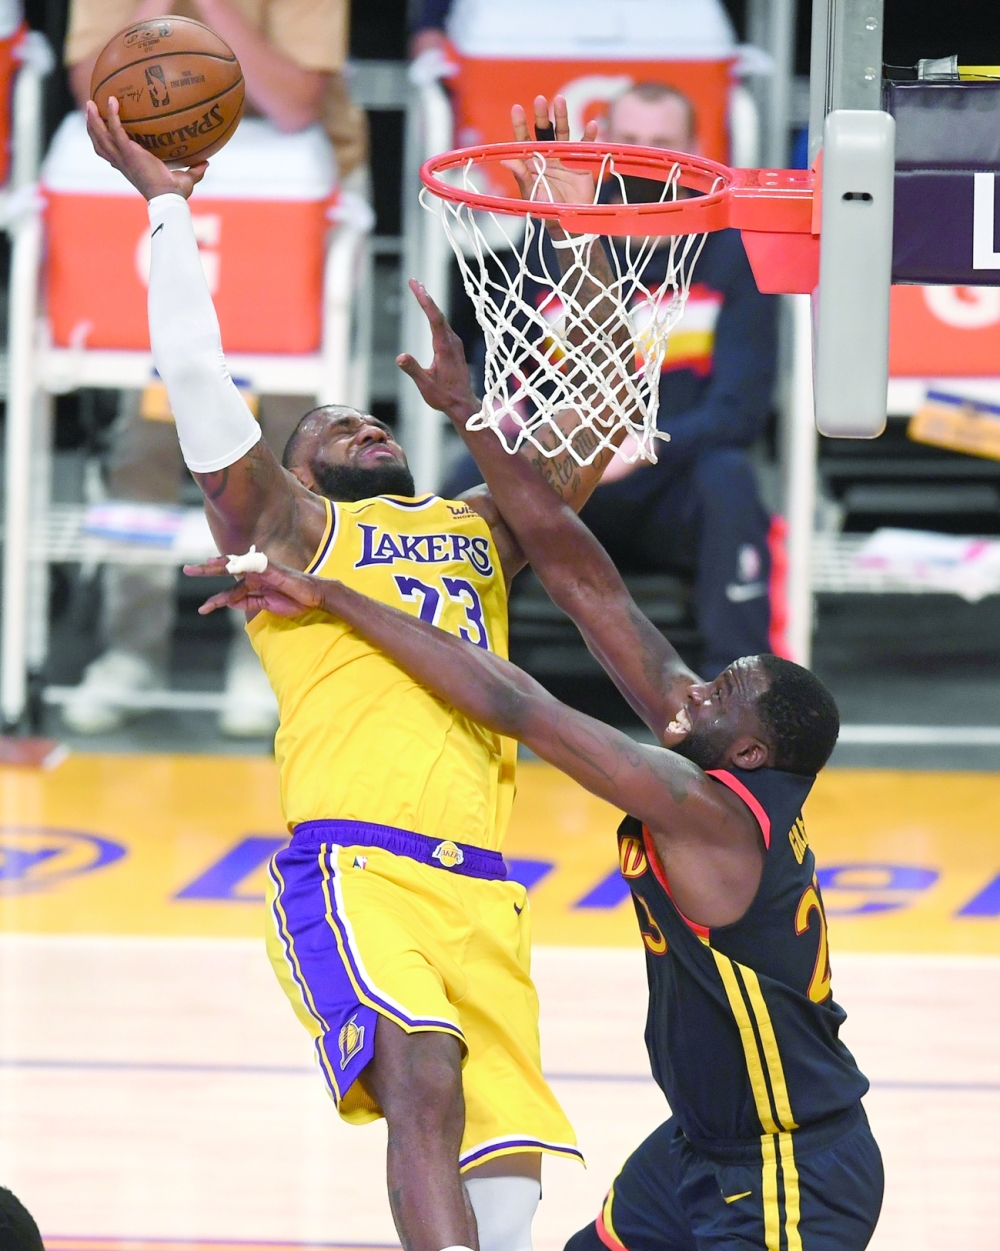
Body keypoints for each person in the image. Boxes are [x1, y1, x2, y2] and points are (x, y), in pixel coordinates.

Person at [196, 283, 884, 1251]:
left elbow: (519, 705)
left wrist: (339, 600)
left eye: (720, 688)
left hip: (786, 1167)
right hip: (697, 1148)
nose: (692, 690)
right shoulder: (712, 747)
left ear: (751, 753)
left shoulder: (704, 809)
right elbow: (577, 572)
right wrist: (474, 408)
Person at [85, 93, 626, 1251]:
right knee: (422, 1075)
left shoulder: (478, 527)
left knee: (508, 1138)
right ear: (294, 474)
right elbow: (196, 385)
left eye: (373, 420)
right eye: (330, 428)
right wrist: (169, 217)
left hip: (482, 875)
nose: (364, 427)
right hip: (355, 864)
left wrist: (581, 247)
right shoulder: (291, 535)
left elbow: (579, 434)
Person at [62, 0, 368, 736]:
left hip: (295, 208)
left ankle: (270, 653)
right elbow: (92, 98)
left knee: (289, 440)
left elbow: (293, 104)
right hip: (150, 184)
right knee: (149, 432)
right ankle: (130, 650)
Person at [445, 80, 779, 678]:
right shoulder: (544, 246)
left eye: (662, 143)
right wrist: (516, 424)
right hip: (559, 481)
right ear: (605, 145)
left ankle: (744, 687)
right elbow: (505, 372)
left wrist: (643, 444)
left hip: (667, 488)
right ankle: (457, 670)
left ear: (693, 149)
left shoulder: (732, 255)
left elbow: (741, 410)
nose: (645, 156)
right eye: (631, 141)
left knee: (729, 479)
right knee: (471, 476)